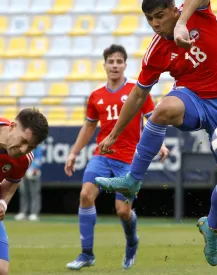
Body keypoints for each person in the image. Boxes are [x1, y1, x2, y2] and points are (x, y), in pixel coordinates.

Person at [94, 0, 217, 267]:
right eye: (150, 19)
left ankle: (212, 228)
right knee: (162, 109)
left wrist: (183, 23)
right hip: (192, 98)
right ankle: (133, 180)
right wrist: (115, 133)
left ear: (175, 10)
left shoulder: (196, 12)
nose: (155, 24)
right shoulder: (156, 50)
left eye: (160, 16)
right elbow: (139, 93)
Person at [64, 44, 169, 271]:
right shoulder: (96, 96)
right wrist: (73, 153)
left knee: (122, 210)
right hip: (103, 155)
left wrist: (160, 144)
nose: (114, 66)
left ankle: (132, 243)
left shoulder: (137, 90)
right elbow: (89, 127)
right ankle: (86, 254)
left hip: (131, 159)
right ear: (104, 65)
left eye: (119, 61)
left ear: (124, 65)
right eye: (110, 61)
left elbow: (153, 119)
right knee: (85, 195)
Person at [0, 109, 49, 275]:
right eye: (23, 141)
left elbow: (13, 182)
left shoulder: (25, 159)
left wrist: (2, 203)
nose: (23, 149)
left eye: (31, 146)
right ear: (12, 126)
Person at [15, 144, 44, 221]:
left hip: (33, 172)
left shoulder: (37, 144)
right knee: (23, 192)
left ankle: (34, 213)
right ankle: (23, 212)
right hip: (23, 170)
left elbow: (39, 158)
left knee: (34, 193)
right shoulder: (23, 143)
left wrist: (34, 167)